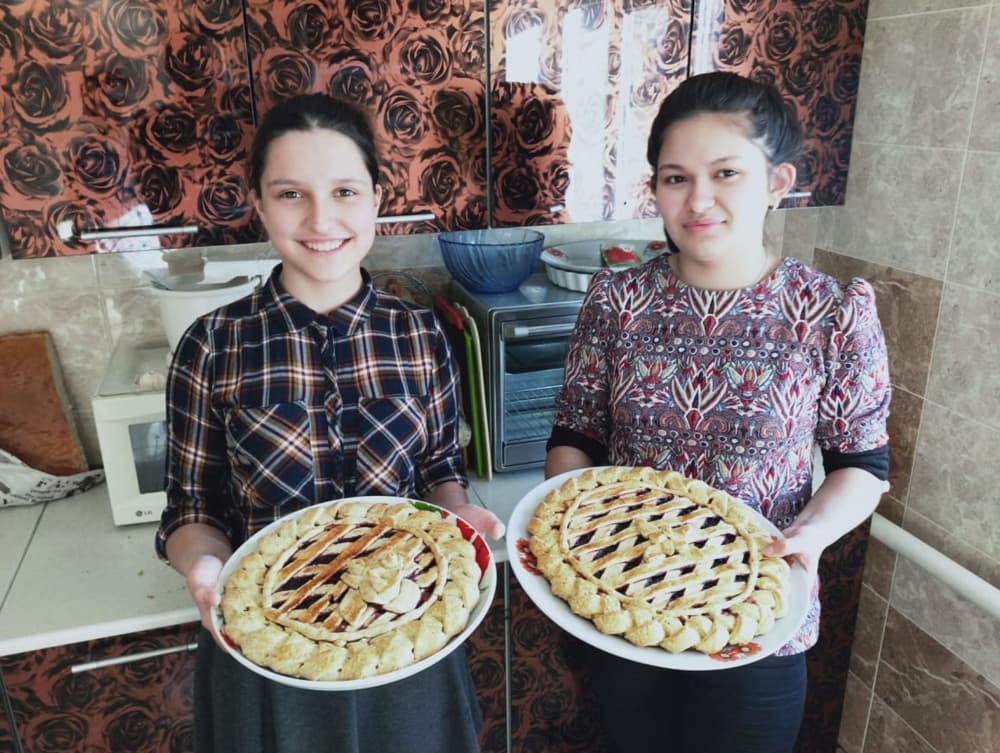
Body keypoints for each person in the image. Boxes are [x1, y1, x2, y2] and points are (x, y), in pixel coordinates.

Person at [544, 71, 890, 753]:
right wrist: (570, 526)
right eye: (676, 178)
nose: (698, 199)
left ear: (777, 182)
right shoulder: (616, 302)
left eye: (726, 173)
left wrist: (810, 534)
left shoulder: (831, 312)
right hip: (628, 601)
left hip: (760, 619)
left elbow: (863, 465)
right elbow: (576, 434)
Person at [155, 92, 504, 753]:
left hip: (408, 632)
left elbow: (438, 470)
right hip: (270, 651)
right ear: (259, 205)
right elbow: (192, 507)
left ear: (376, 200)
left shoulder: (419, 332)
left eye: (345, 191)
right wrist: (203, 567)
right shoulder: (213, 344)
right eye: (291, 194)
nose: (321, 219)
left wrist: (461, 516)